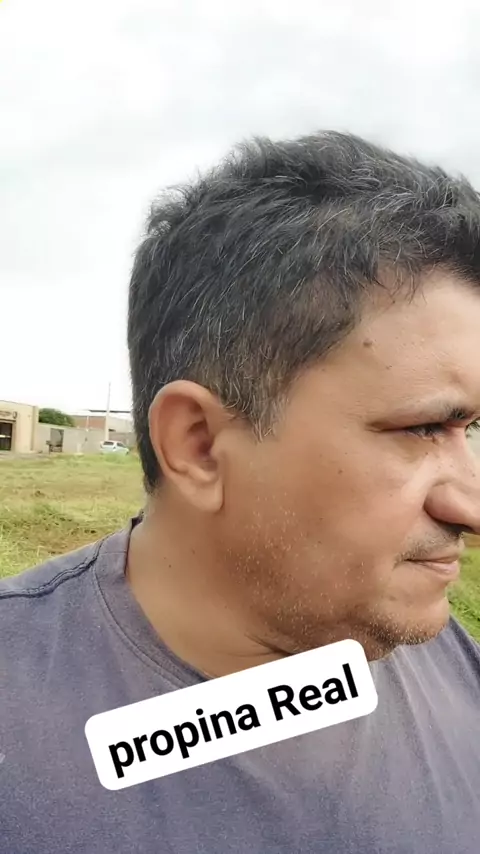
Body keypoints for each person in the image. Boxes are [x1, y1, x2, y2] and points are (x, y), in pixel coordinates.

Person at [2, 131, 480, 854]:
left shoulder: (446, 658)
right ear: (198, 445)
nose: (469, 506)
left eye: (471, 427)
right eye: (421, 428)